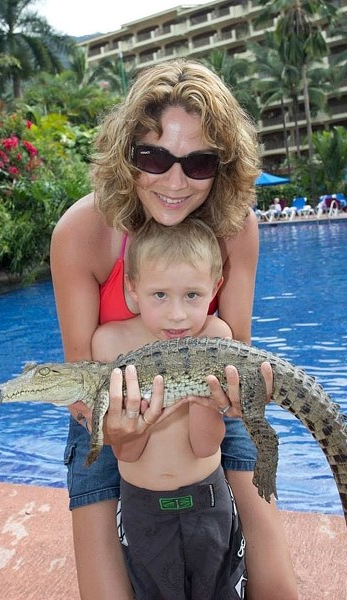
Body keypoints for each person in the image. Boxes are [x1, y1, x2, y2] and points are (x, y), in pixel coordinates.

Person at [50, 58, 298, 600]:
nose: (175, 180)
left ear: (223, 165)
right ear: (127, 154)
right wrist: (122, 433)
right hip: (112, 407)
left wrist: (227, 402)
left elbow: (236, 357)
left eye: (199, 162)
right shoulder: (82, 232)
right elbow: (81, 384)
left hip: (206, 396)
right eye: (154, 156)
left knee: (278, 586)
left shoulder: (236, 226)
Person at [92, 216, 247, 599]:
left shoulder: (217, 337)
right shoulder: (110, 346)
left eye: (192, 296)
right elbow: (125, 450)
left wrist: (203, 402)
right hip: (142, 508)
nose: (177, 314)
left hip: (209, 501)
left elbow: (207, 447)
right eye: (159, 295)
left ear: (214, 289)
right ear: (133, 289)